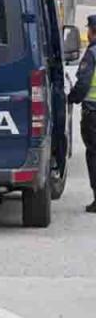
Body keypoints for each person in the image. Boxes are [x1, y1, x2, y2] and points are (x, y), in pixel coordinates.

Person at [68, 15, 96, 213]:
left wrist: (72, 98)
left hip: (93, 113)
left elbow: (84, 82)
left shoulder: (92, 53)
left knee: (94, 155)